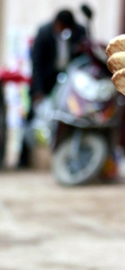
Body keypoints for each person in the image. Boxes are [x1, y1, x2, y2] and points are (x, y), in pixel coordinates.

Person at [19, 9, 87, 167]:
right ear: (57, 24)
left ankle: (64, 158)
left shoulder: (79, 32)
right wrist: (38, 91)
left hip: (68, 79)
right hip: (46, 79)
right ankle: (23, 160)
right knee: (31, 117)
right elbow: (36, 64)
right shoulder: (44, 33)